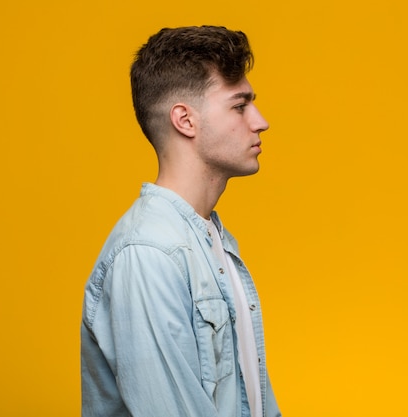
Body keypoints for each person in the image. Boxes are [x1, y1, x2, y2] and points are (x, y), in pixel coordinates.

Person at [80, 26, 281, 417]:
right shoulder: (150, 254)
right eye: (240, 106)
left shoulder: (213, 242)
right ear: (185, 121)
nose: (260, 121)